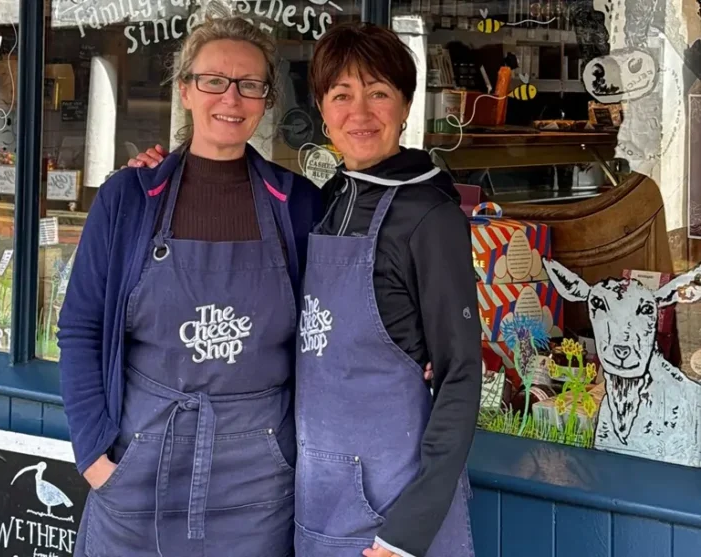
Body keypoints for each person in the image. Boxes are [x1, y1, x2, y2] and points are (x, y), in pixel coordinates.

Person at [129, 21, 481, 557]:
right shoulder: (329, 200)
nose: (359, 113)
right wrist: (160, 169)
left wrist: (408, 532)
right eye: (342, 95)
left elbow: (459, 375)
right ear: (322, 110)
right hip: (317, 499)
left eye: (379, 93)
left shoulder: (429, 215)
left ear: (407, 106)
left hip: (394, 512)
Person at [56, 17, 322, 557]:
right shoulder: (129, 198)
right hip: (138, 462)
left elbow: (328, 329)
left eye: (250, 84)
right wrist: (93, 455)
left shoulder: (297, 204)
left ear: (267, 99)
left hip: (261, 477)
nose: (232, 97)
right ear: (185, 90)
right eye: (213, 81)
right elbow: (80, 327)